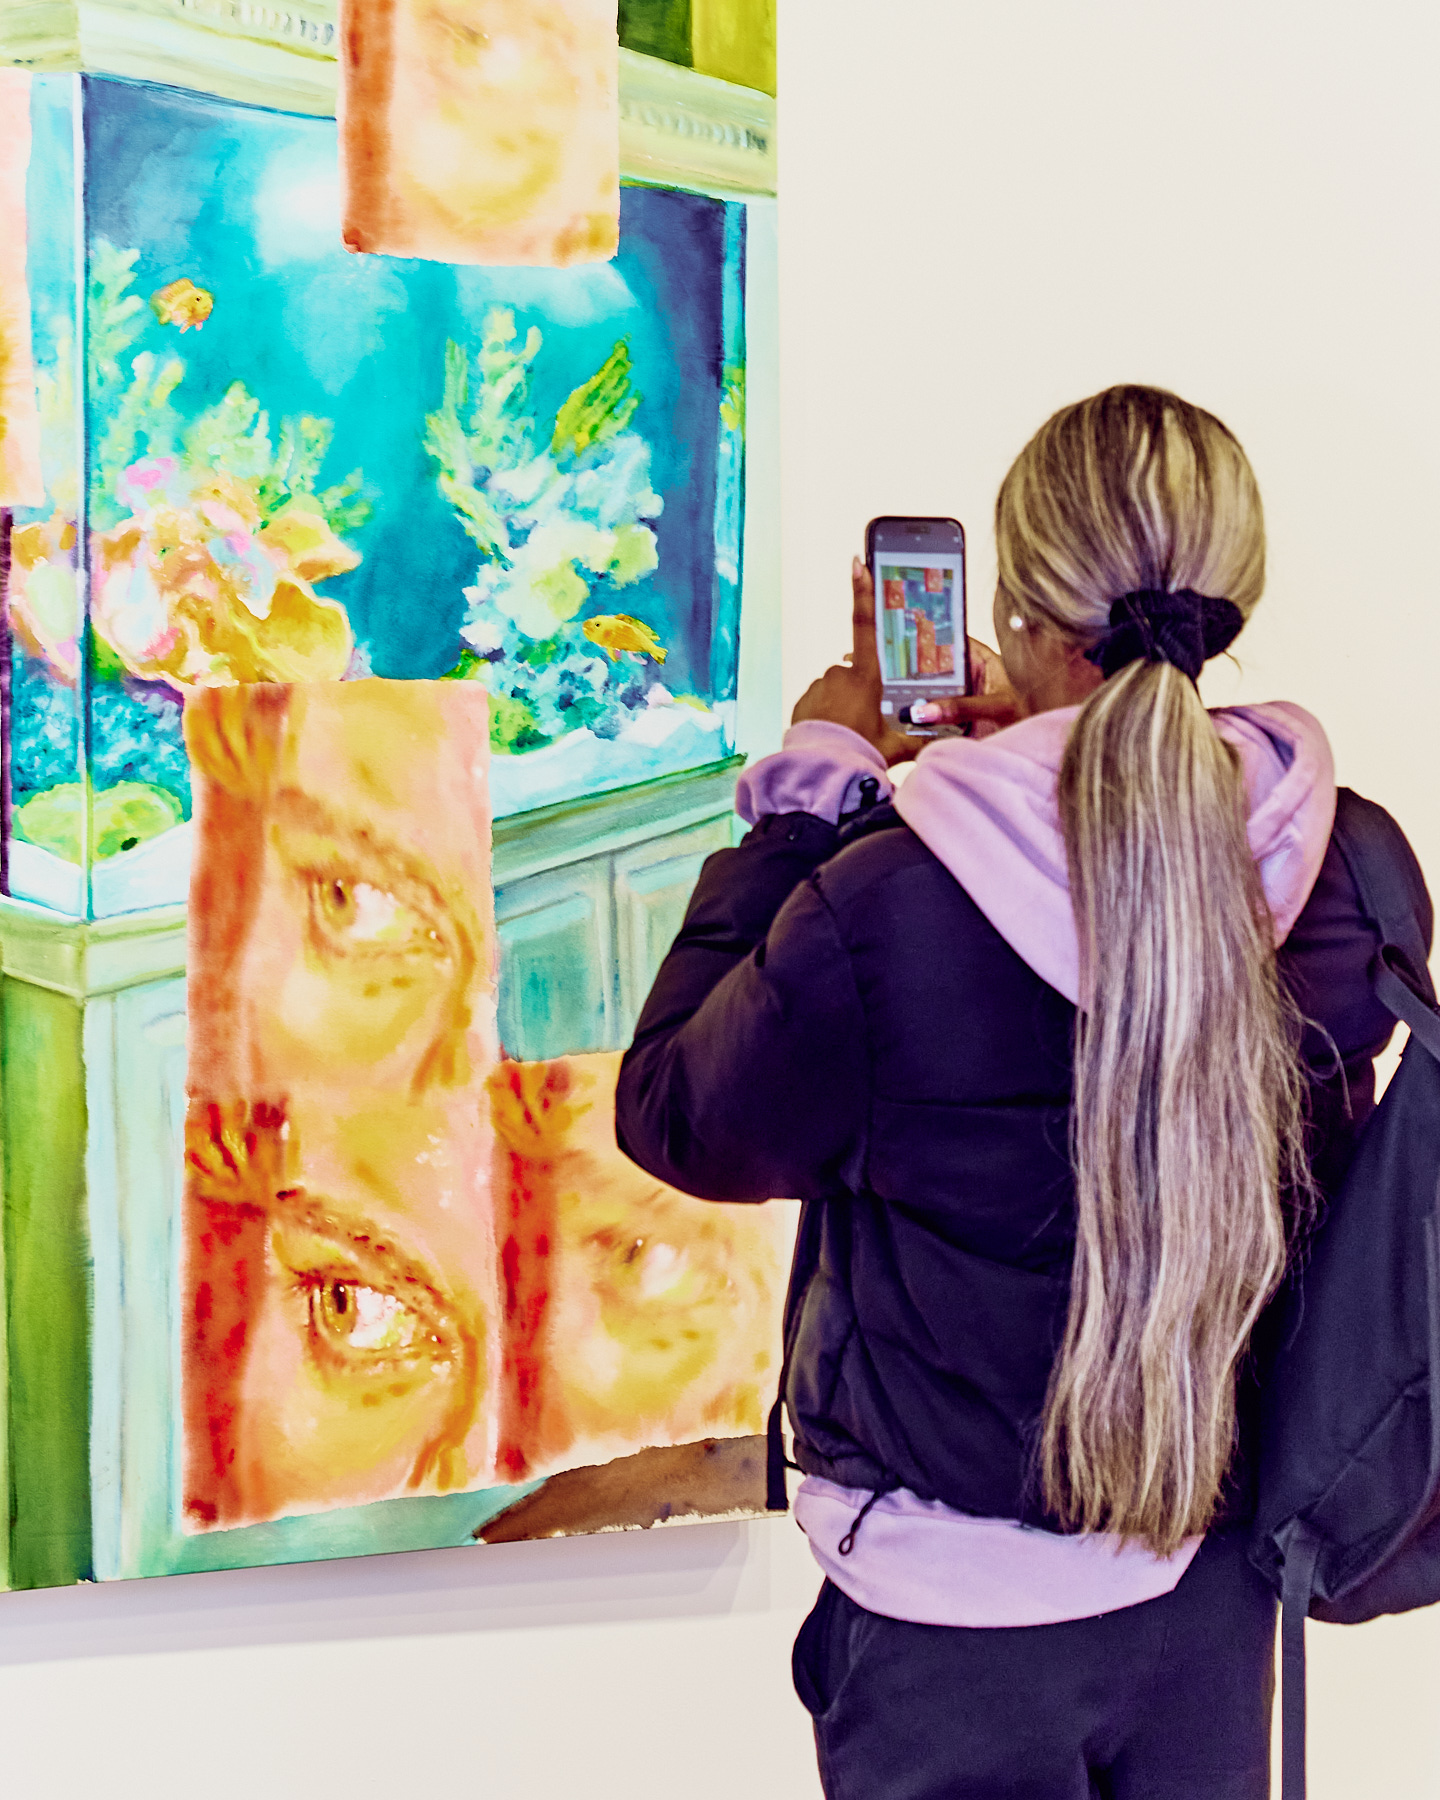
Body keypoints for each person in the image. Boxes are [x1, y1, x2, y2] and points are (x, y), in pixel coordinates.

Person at [615, 385, 1433, 1799]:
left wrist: (812, 793)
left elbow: (680, 1114)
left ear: (1024, 612)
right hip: (1215, 1582)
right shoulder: (1346, 865)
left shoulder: (882, 902)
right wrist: (1047, 749)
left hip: (952, 1626)